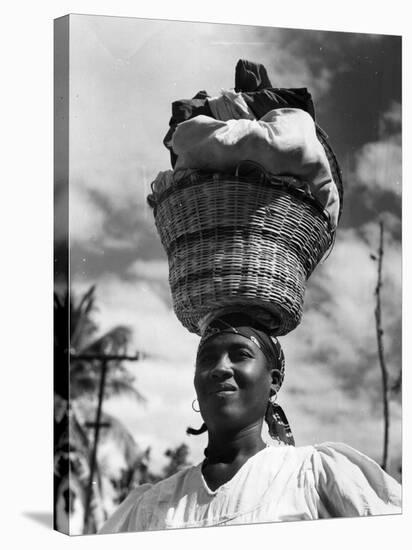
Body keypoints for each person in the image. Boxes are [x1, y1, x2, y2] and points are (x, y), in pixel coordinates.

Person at [99, 312, 401, 534]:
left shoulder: (313, 476)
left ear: (273, 381)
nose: (220, 368)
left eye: (240, 355)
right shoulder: (152, 505)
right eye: (207, 359)